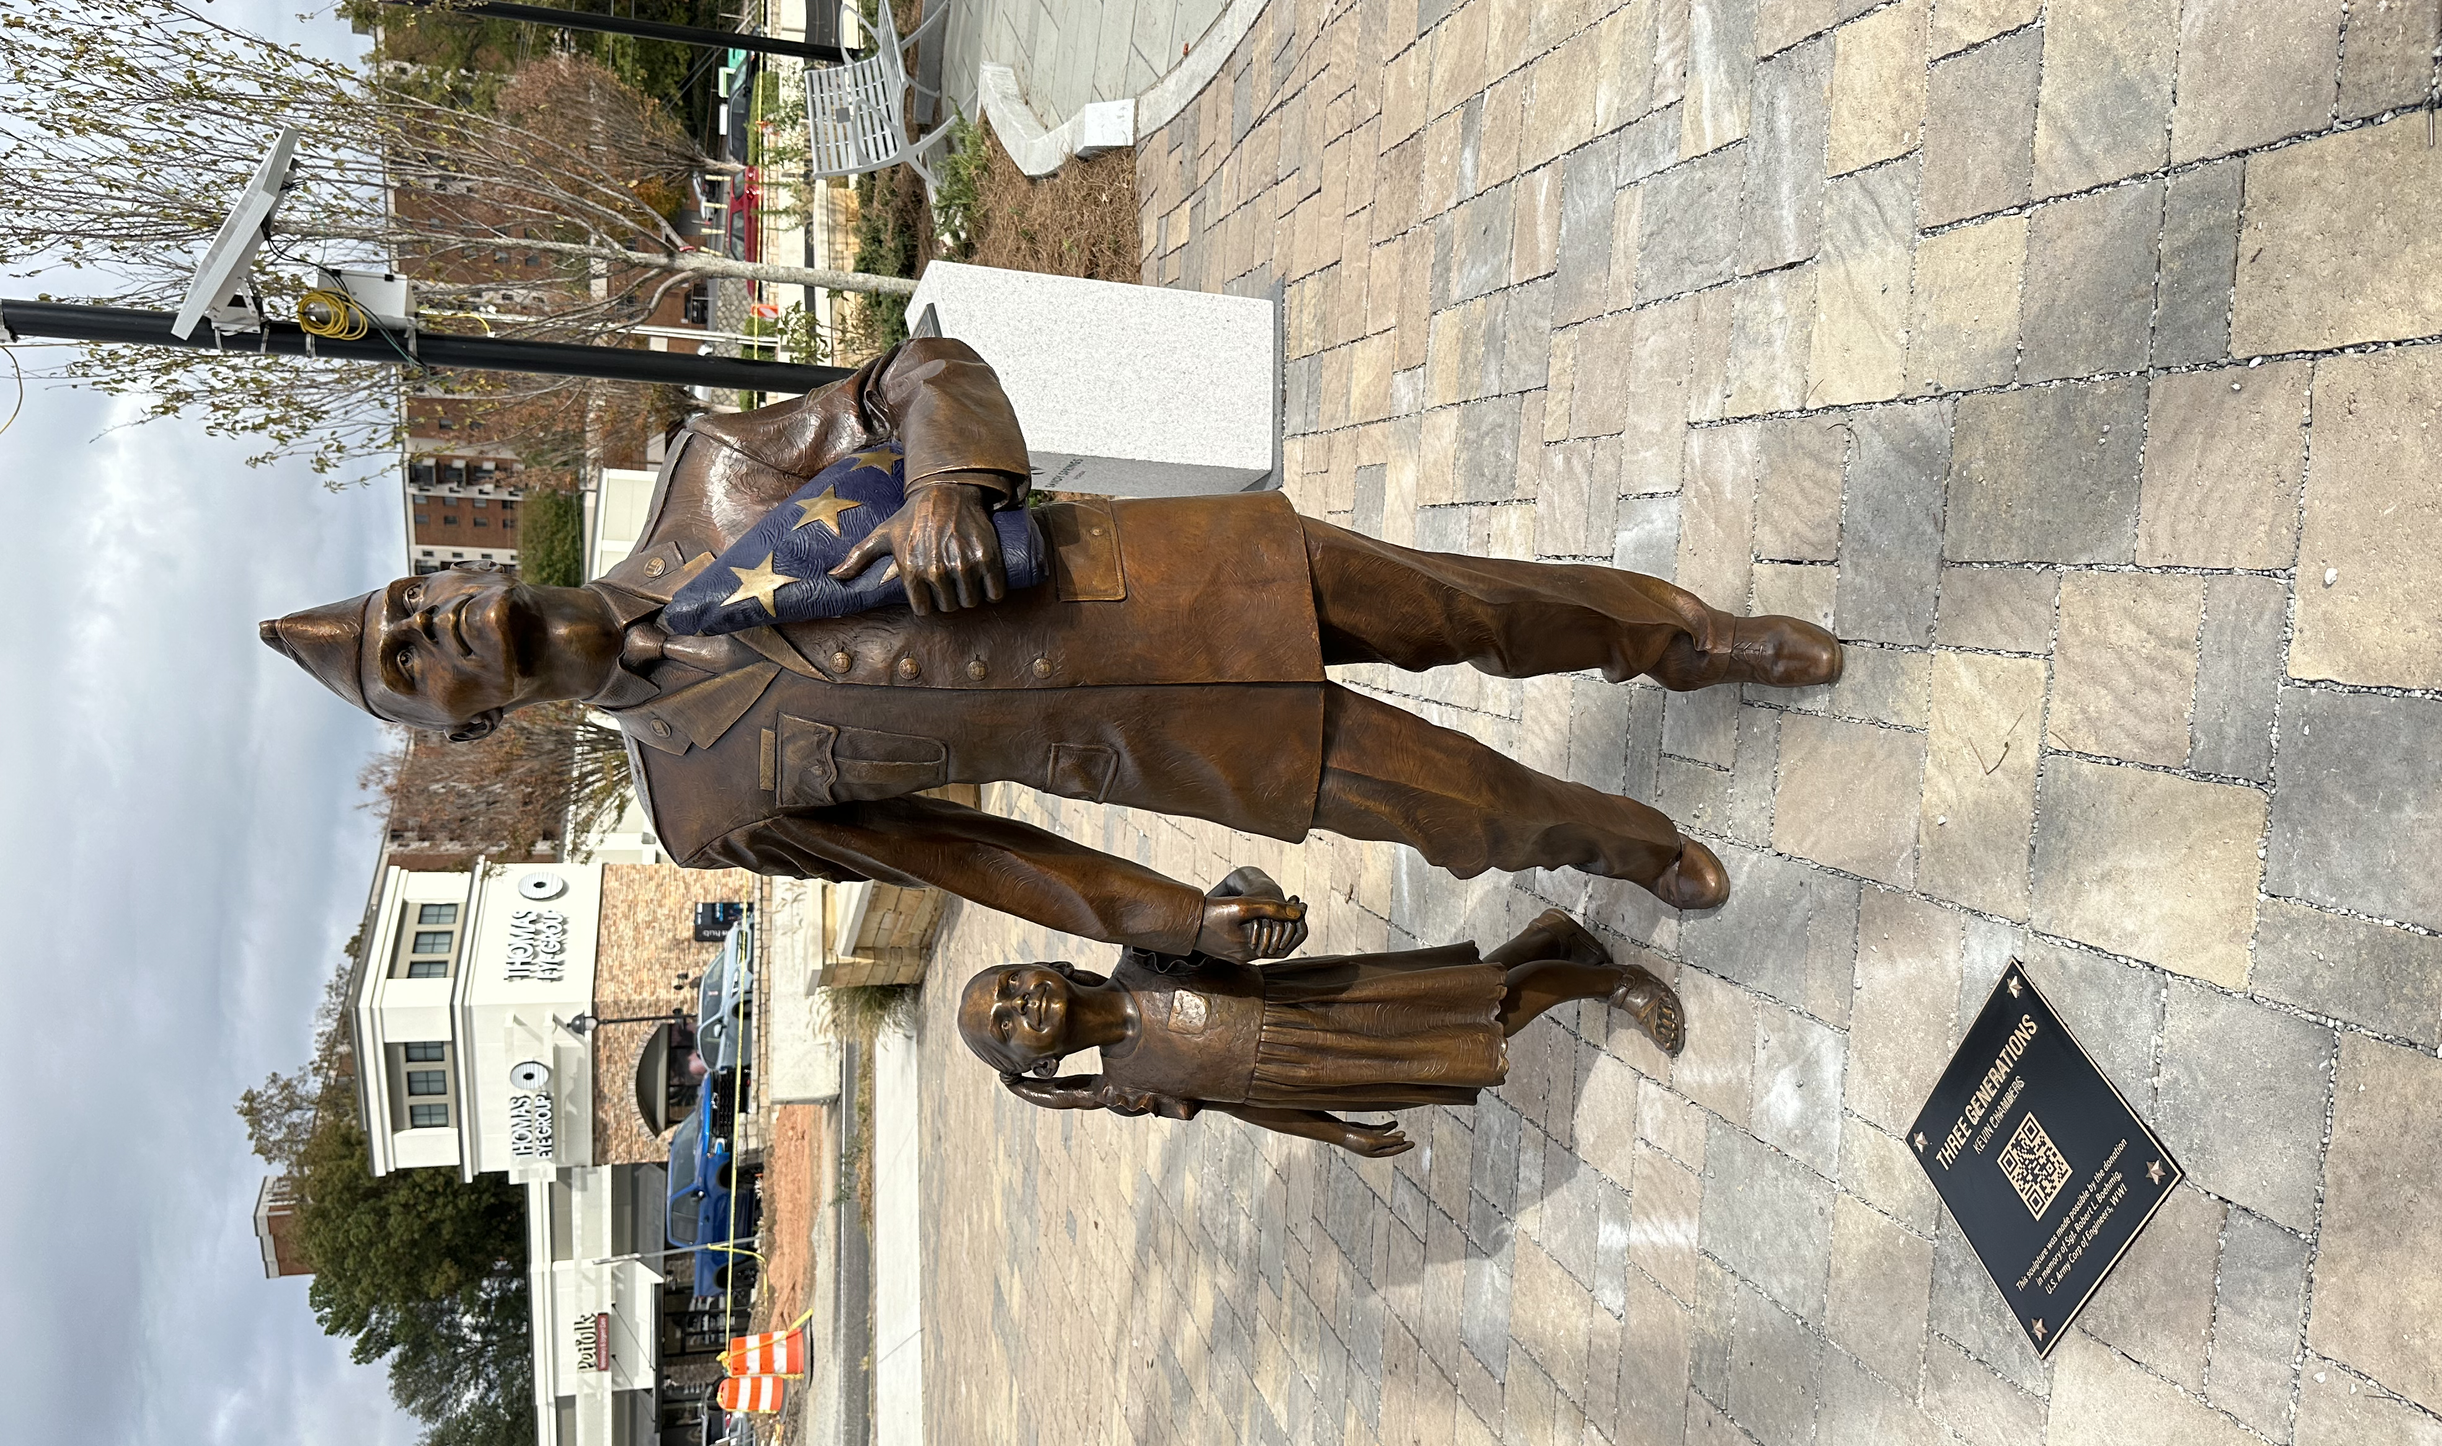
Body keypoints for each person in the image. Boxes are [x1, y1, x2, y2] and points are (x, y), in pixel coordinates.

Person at [261, 337, 1843, 962]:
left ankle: (1685, 639)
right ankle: (1634, 845)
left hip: (1168, 576)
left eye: (412, 600)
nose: (430, 628)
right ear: (465, 728)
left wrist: (952, 473)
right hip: (1170, 747)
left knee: (1482, 608)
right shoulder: (703, 805)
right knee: (1473, 814)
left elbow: (912, 371)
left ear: (454, 565)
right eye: (412, 664)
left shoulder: (714, 477)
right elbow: (970, 856)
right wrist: (1169, 922)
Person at [957, 879, 1681, 1157]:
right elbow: (1243, 1105)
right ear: (1037, 1063)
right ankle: (1548, 939)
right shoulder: (1130, 1085)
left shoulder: (1147, 953)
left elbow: (1238, 894)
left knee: (1481, 1019)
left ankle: (1614, 983)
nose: (1025, 1001)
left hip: (1328, 1004)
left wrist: (1262, 911)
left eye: (1013, 982)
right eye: (1009, 1024)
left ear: (1046, 964)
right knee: (1461, 1013)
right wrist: (1334, 1130)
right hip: (1318, 1071)